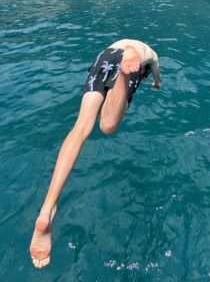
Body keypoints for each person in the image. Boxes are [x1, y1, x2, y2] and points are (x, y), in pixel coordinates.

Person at [29, 39, 161, 269]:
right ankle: (122, 76)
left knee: (81, 127)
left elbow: (122, 49)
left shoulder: (124, 43)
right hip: (129, 57)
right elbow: (152, 64)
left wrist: (126, 53)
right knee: (108, 126)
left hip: (105, 56)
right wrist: (156, 82)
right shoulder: (151, 54)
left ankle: (48, 208)